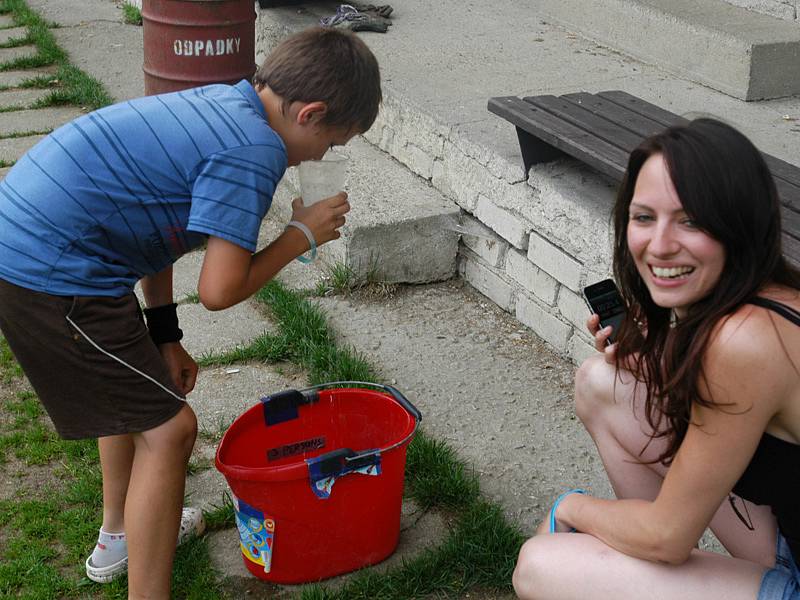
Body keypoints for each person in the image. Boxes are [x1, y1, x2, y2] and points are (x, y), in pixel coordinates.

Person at [0, 26, 381, 599]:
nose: (325, 156)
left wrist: (163, 334)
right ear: (310, 113)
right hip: (50, 274)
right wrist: (300, 235)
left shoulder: (225, 102)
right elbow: (220, 290)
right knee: (170, 430)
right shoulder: (255, 150)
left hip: (49, 247)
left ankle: (121, 533)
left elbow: (157, 230)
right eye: (334, 141)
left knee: (136, 398)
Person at [512, 118, 800, 600]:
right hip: (788, 541)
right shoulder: (772, 298)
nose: (660, 244)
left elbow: (669, 539)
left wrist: (571, 507)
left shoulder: (743, 342)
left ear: (739, 224)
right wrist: (656, 355)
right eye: (644, 217)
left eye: (691, 220)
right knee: (606, 384)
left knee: (541, 566)